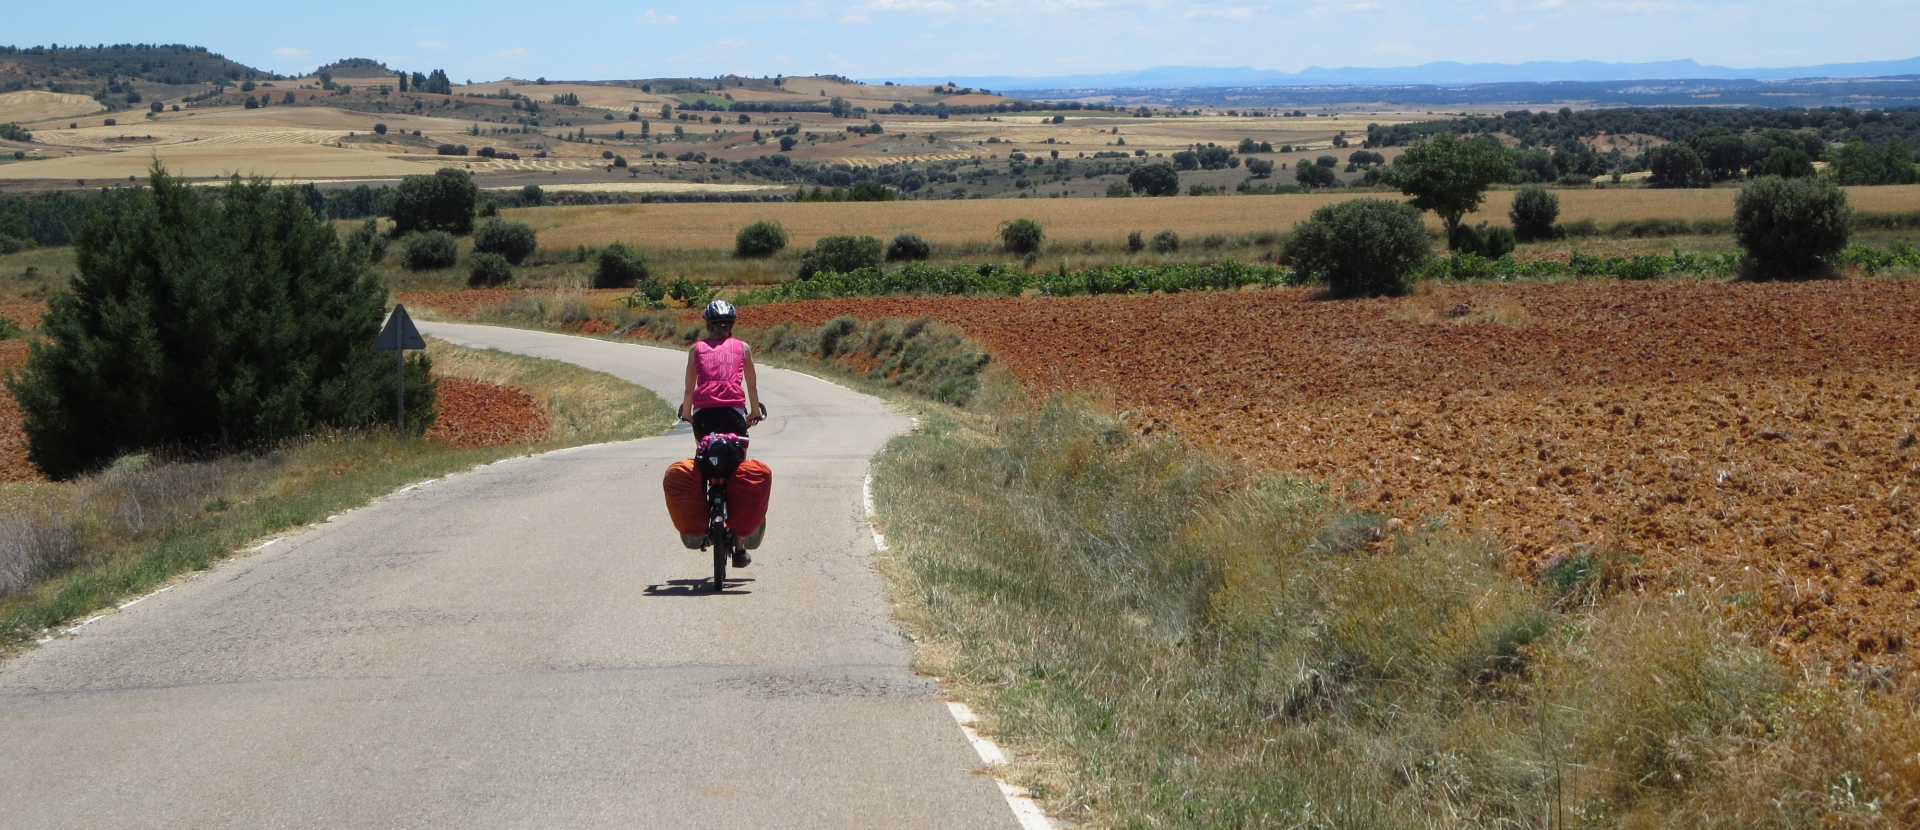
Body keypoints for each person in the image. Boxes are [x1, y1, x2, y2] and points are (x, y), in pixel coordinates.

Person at [681, 300, 762, 440]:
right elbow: (752, 387)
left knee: (703, 452)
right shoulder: (743, 348)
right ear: (731, 325)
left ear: (707, 325)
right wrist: (755, 412)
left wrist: (687, 414)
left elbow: (689, 389)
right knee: (739, 456)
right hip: (733, 411)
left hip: (703, 413)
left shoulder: (696, 349)